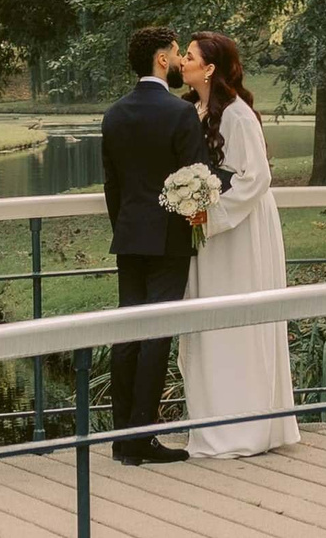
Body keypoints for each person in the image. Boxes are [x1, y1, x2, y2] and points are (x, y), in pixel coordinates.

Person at [173, 31, 301, 458]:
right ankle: (214, 423)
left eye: (190, 56)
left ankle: (247, 429)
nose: (182, 61)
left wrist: (210, 215)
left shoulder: (238, 115)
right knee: (208, 320)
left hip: (241, 227)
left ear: (209, 68)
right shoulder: (195, 110)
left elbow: (256, 177)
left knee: (239, 317)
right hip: (211, 227)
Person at [99, 25, 218, 465]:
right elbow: (198, 175)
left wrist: (126, 225)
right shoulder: (179, 113)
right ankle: (143, 437)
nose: (180, 59)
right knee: (156, 335)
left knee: (127, 332)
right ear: (162, 60)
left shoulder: (114, 115)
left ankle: (121, 439)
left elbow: (112, 185)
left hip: (129, 236)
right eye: (176, 51)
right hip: (169, 238)